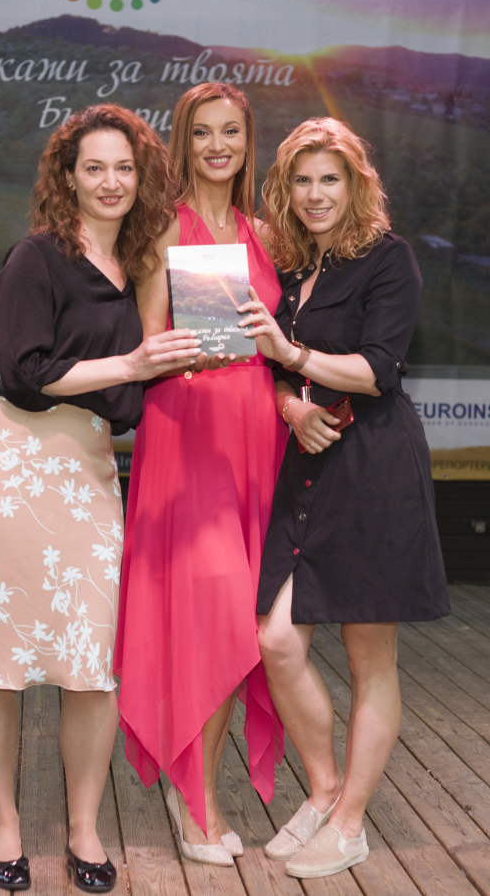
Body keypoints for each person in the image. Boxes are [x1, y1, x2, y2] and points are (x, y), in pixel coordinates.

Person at [0, 104, 203, 893]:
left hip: (89, 473)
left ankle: (85, 829)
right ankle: (6, 828)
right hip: (16, 469)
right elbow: (25, 373)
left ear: (141, 176)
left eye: (124, 167)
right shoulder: (37, 257)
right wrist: (134, 366)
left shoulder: (141, 268)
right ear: (69, 177)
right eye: (95, 167)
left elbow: (143, 388)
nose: (111, 181)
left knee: (91, 667)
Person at [236, 116, 450, 879]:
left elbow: (377, 369)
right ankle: (325, 791)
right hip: (308, 464)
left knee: (368, 655)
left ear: (356, 184)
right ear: (285, 190)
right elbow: (277, 374)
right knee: (276, 639)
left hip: (374, 467)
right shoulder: (294, 267)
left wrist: (291, 354)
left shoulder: (389, 258)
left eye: (330, 178)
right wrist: (292, 405)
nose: (315, 193)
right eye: (301, 180)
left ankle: (351, 822)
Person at [114, 82, 289, 865]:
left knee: (243, 627)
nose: (219, 146)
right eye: (203, 133)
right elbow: (149, 341)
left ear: (249, 142)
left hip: (258, 442)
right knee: (211, 619)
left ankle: (202, 792)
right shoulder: (162, 226)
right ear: (182, 143)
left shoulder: (265, 232)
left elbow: (279, 345)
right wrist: (190, 353)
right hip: (189, 437)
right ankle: (197, 805)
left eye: (232, 132)